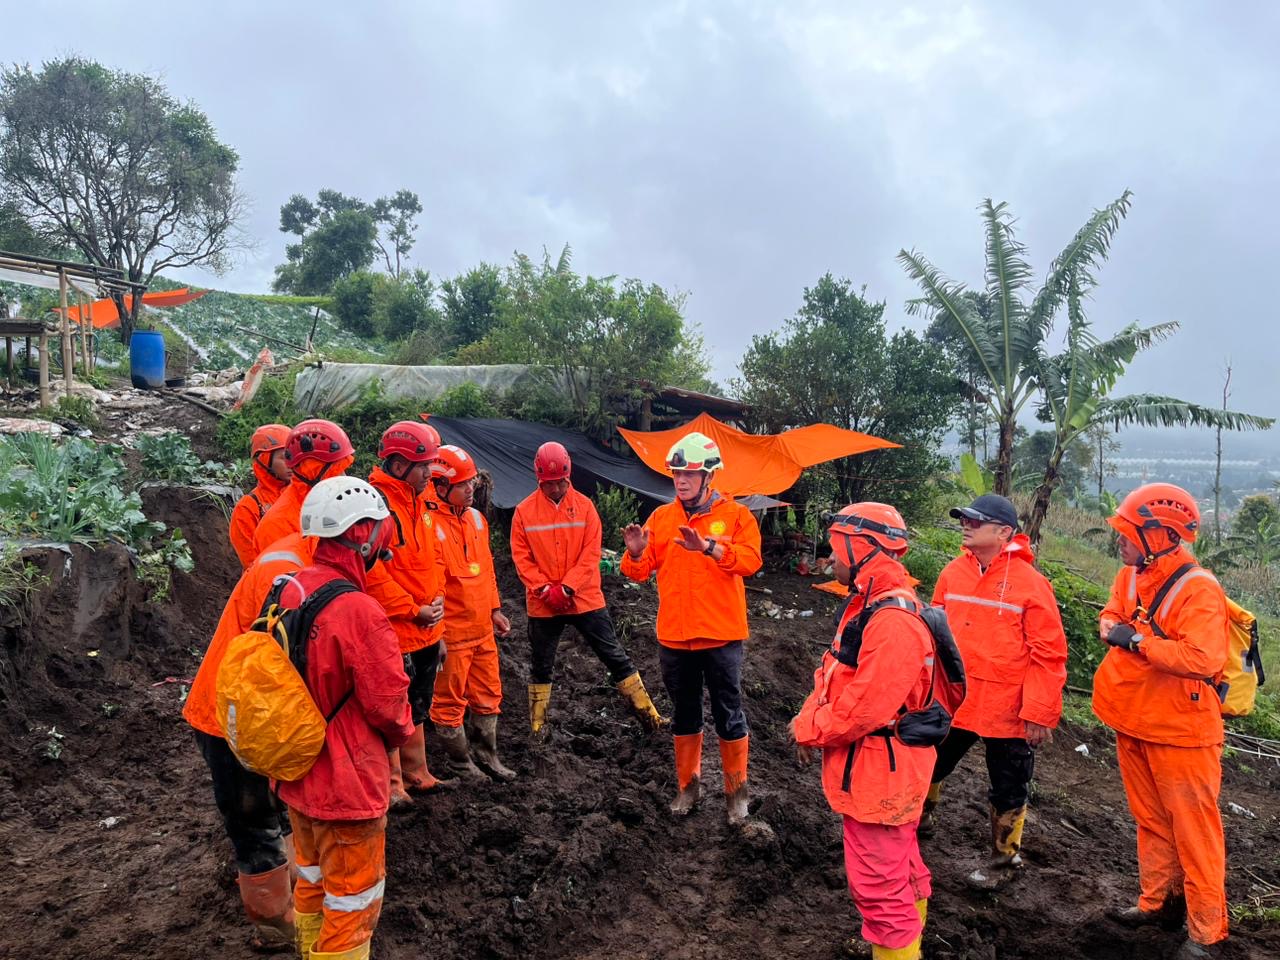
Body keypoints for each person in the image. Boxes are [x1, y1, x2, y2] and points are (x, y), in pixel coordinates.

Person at [278, 476, 415, 960]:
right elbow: (387, 707)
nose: (385, 540)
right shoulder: (359, 610)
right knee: (354, 901)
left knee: (311, 880)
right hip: (347, 781)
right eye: (380, 529)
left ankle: (308, 952)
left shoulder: (289, 587)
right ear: (360, 533)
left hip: (296, 770)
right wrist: (403, 730)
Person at [791, 504, 936, 960]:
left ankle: (897, 947)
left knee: (879, 888)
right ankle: (905, 939)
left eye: (836, 548)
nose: (830, 559)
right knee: (901, 869)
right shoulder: (870, 603)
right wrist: (810, 716)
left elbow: (863, 710)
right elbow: (834, 670)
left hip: (881, 773)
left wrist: (808, 729)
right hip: (883, 767)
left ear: (862, 548)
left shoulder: (892, 621)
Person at [1092, 483, 1229, 960]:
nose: (1119, 540)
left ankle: (1206, 931)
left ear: (1161, 534)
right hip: (1132, 718)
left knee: (1195, 833)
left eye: (1127, 531)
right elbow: (1111, 615)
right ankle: (1156, 904)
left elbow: (1203, 656)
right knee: (1150, 821)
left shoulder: (1199, 588)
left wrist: (1135, 642)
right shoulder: (1129, 575)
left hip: (1182, 731)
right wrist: (1112, 627)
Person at [925, 494, 1067, 889]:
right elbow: (933, 632)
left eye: (975, 520)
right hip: (955, 700)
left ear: (1003, 532)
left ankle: (1004, 860)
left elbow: (1049, 655)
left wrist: (1039, 712)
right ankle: (919, 821)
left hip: (1008, 709)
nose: (965, 525)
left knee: (1008, 785)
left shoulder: (1031, 585)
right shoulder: (953, 573)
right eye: (964, 519)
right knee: (928, 762)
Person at [620, 431, 762, 823]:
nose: (680, 480)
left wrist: (710, 548)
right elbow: (638, 571)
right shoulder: (661, 519)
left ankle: (736, 795)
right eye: (677, 473)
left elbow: (750, 561)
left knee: (729, 713)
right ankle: (688, 788)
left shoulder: (736, 516)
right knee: (684, 715)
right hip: (675, 637)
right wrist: (634, 554)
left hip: (721, 636)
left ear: (709, 476)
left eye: (689, 473)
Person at [185, 532, 316, 951]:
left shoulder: (305, 559)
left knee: (278, 813)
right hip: (233, 718)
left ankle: (298, 903)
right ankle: (276, 928)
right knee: (255, 823)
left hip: (254, 712)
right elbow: (276, 665)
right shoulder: (287, 572)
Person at [511, 441, 666, 738]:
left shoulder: (585, 507)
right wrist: (545, 589)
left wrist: (567, 588)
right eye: (549, 484)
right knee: (541, 665)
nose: (556, 489)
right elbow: (522, 557)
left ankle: (650, 718)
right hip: (543, 603)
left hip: (584, 598)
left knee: (615, 656)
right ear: (539, 479)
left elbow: (590, 554)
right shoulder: (523, 512)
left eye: (561, 482)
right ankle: (538, 728)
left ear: (568, 476)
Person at [365, 420, 451, 804]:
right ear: (399, 465)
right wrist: (412, 609)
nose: (430, 473)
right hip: (396, 630)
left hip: (426, 627)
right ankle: (393, 784)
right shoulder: (375, 507)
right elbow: (372, 572)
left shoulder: (422, 502)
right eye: (424, 466)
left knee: (418, 704)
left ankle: (418, 773)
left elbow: (432, 561)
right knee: (392, 710)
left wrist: (437, 605)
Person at [426, 444, 516, 781]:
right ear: (440, 485)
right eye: (464, 483)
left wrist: (494, 608)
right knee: (448, 702)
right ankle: (460, 764)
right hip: (452, 632)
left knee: (489, 695)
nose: (472, 488)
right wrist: (436, 636)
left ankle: (486, 755)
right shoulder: (427, 525)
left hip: (482, 629)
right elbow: (430, 584)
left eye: (472, 482)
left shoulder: (476, 519)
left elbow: (487, 569)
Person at [253, 419, 355, 556]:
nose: (344, 477)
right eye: (335, 471)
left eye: (343, 469)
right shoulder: (276, 526)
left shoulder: (340, 505)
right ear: (309, 471)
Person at [228, 423, 292, 568]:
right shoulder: (248, 507)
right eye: (284, 458)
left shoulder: (302, 495)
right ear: (264, 459)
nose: (291, 464)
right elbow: (251, 562)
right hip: (269, 583)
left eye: (293, 456)